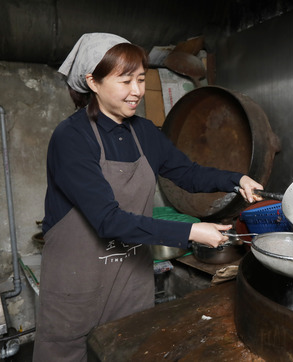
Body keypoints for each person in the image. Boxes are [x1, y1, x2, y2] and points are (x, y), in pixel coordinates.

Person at [33, 33, 263, 361]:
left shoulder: (144, 133)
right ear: (93, 82)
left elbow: (188, 173)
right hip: (76, 285)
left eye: (141, 79)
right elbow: (107, 220)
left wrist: (235, 179)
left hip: (129, 282)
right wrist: (190, 232)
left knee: (129, 349)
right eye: (125, 80)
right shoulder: (71, 138)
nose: (137, 91)